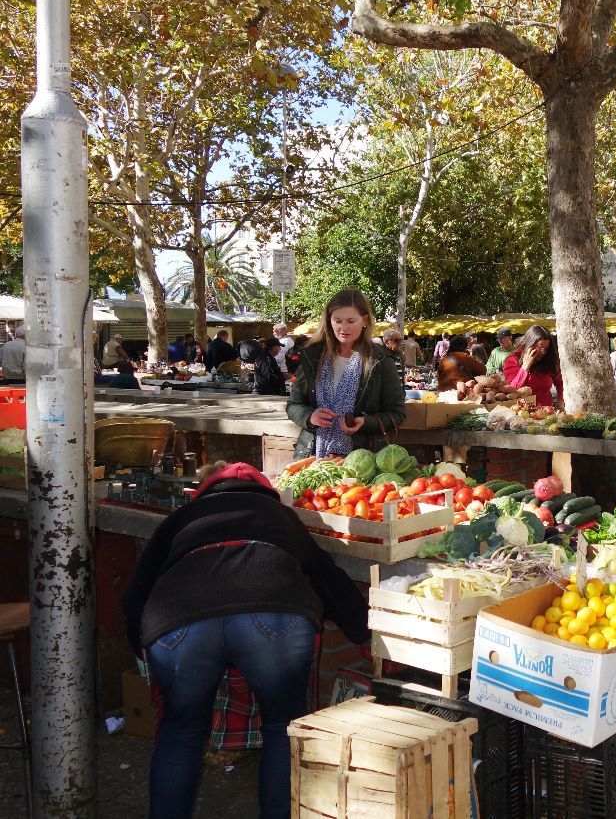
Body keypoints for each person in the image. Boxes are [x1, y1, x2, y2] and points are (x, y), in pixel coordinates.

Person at [122, 461, 370, 819]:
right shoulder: (279, 515)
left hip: (180, 623)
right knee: (283, 726)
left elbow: (134, 599)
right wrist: (362, 633)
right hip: (273, 617)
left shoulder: (181, 518)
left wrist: (144, 654)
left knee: (181, 732)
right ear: (264, 491)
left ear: (205, 491)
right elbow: (328, 578)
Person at [286, 290, 405, 459]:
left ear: (364, 321)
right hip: (312, 457)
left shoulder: (381, 360)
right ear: (329, 321)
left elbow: (397, 413)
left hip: (362, 460)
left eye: (351, 321)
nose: (344, 328)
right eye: (338, 321)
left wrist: (365, 423)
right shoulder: (312, 356)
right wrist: (309, 416)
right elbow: (293, 404)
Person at [503, 325, 562, 408]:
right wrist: (525, 367)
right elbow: (512, 391)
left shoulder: (548, 359)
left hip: (545, 412)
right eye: (540, 347)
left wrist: (560, 402)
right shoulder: (512, 360)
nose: (543, 352)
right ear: (529, 345)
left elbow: (560, 381)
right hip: (521, 413)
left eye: (546, 348)